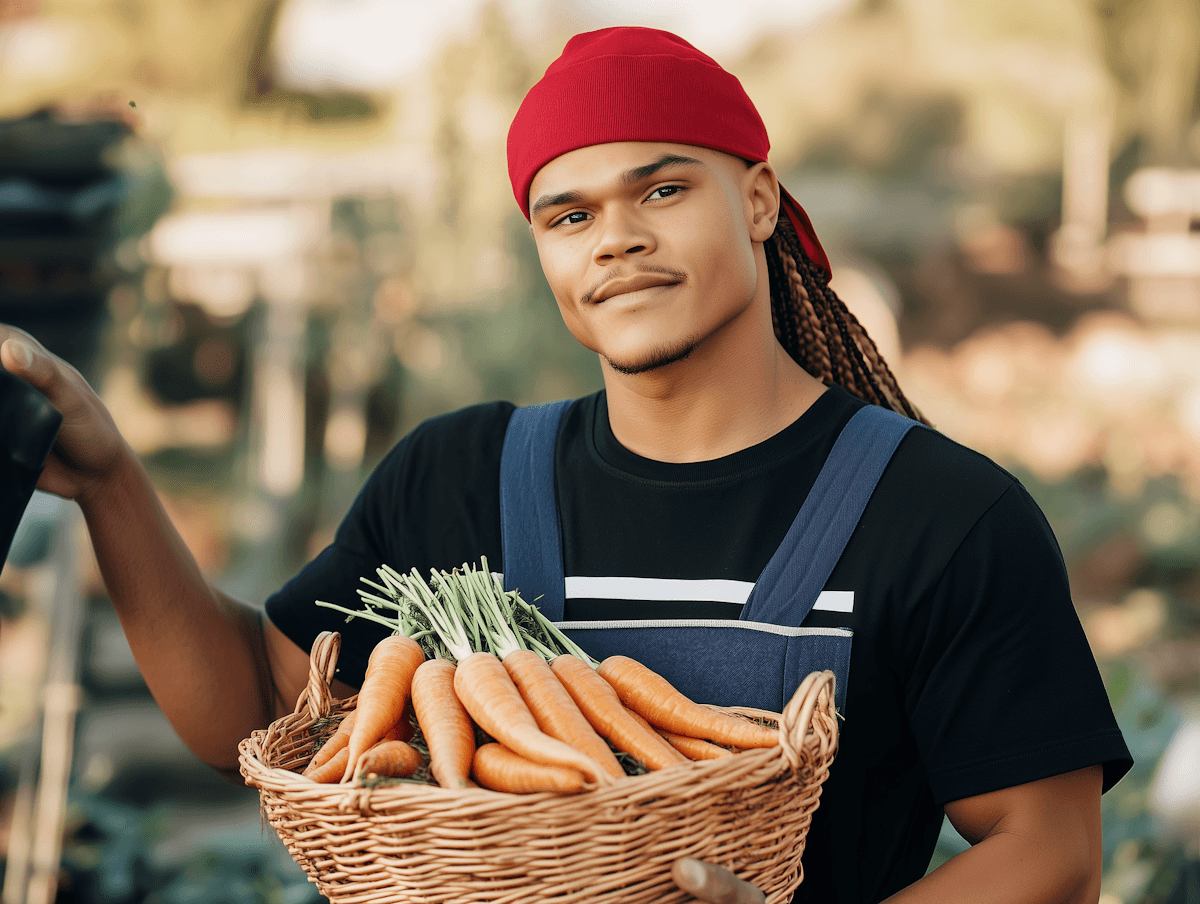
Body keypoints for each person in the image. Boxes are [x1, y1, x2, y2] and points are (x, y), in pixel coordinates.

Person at [0, 26, 1131, 904]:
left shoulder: (938, 512)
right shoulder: (458, 477)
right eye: (568, 213)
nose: (616, 238)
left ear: (758, 197)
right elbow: (252, 703)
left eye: (663, 187)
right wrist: (111, 480)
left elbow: (1051, 850)